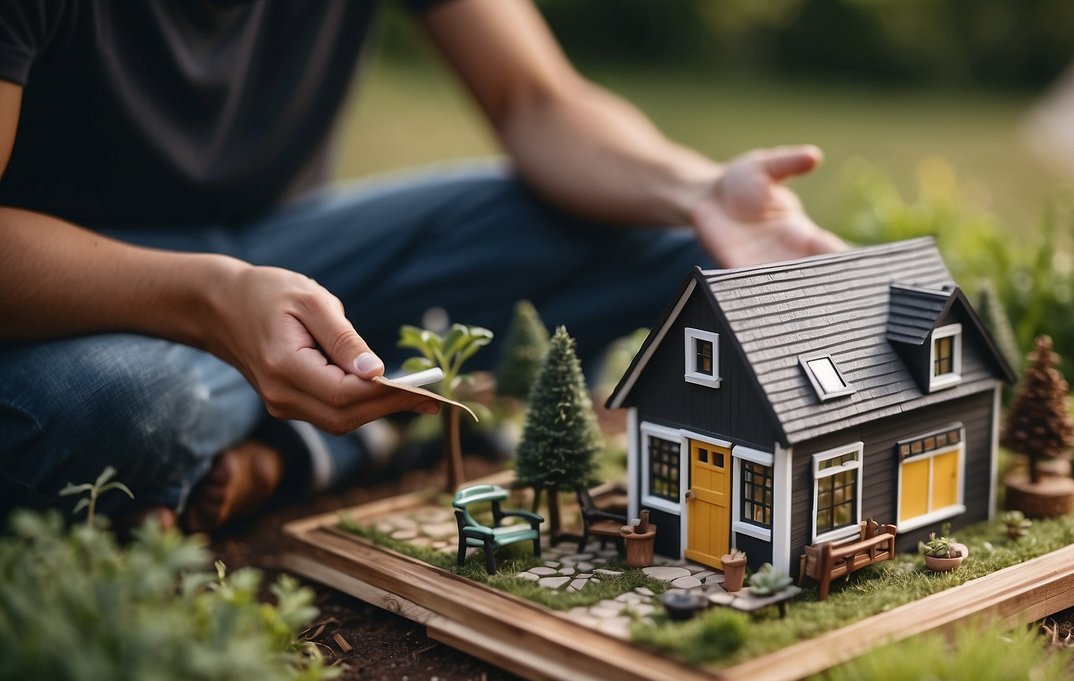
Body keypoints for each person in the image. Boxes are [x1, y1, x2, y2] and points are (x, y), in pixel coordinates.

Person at [0, 0, 845, 531]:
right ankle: (336, 426)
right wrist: (205, 298)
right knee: (136, 405)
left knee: (665, 242)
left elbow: (537, 100)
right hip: (73, 298)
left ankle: (304, 425)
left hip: (283, 256)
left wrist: (697, 191)